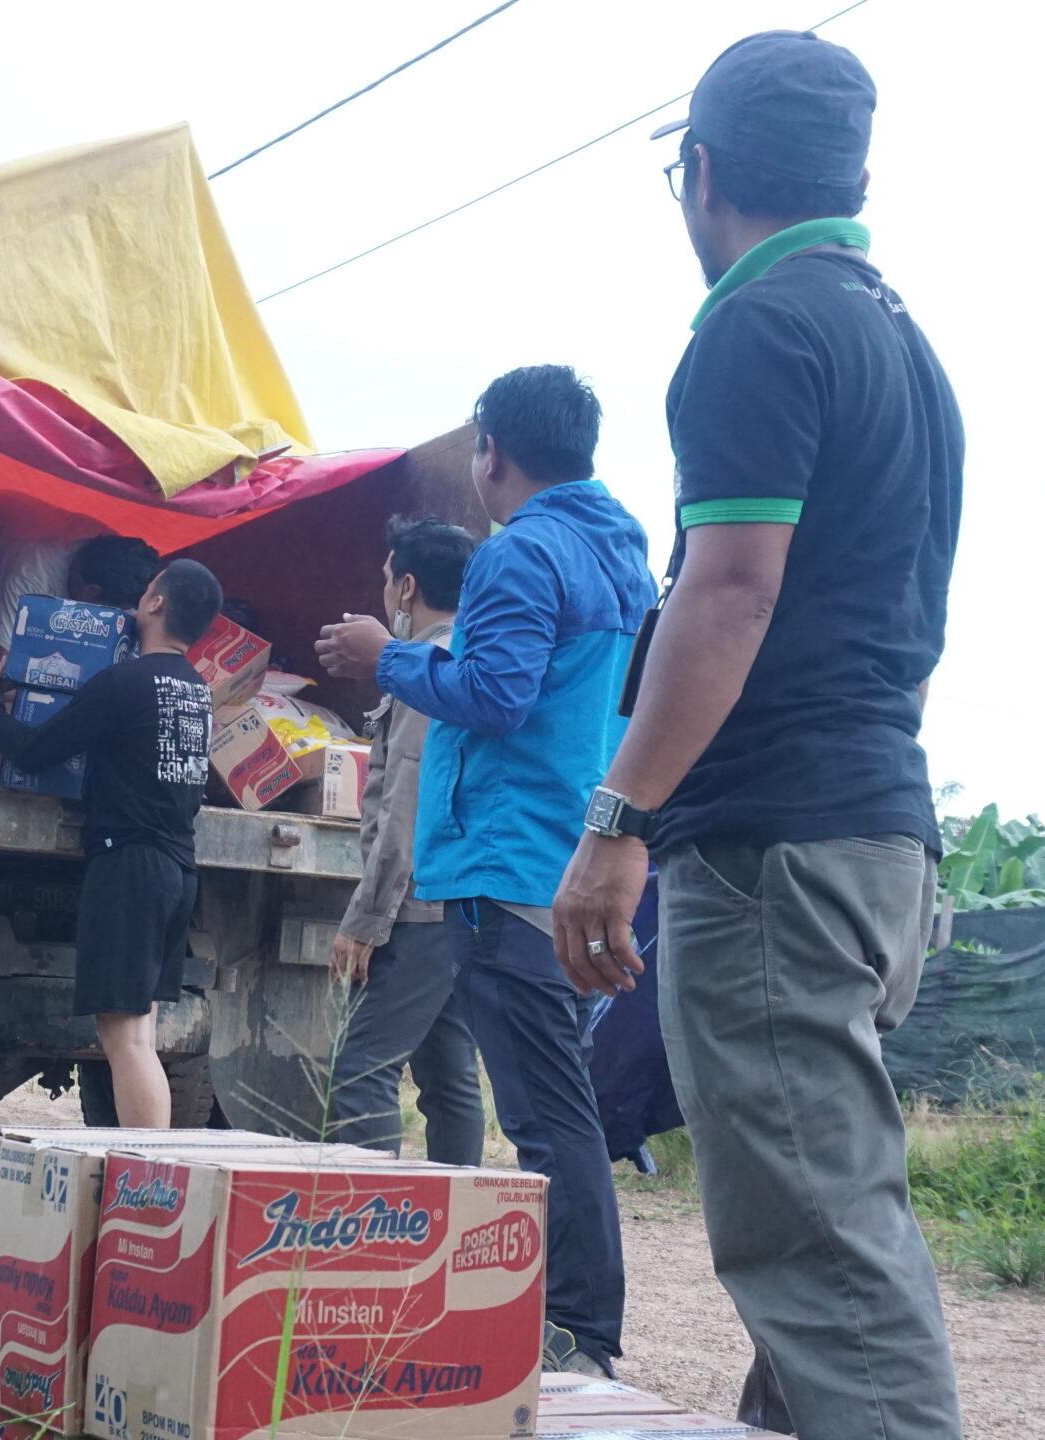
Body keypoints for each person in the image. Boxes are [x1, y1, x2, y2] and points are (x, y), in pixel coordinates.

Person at [548, 31, 966, 1438]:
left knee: (822, 1262)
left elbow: (727, 591)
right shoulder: (904, 347)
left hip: (776, 849)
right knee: (817, 1233)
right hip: (878, 836)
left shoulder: (758, 326)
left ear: (703, 173)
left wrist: (620, 821)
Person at [317, 366, 655, 1377]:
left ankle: (578, 1335)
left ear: (491, 453)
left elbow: (496, 695)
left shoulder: (520, 552)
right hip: (565, 854)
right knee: (549, 1104)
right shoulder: (622, 549)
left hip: (504, 862)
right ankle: (569, 1323)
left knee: (547, 1118)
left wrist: (385, 656)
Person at [0, 558, 220, 1128]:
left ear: (156, 604)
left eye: (147, 589)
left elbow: (36, 751)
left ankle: (147, 1168)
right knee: (141, 1033)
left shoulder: (122, 684)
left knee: (124, 1037)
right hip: (177, 868)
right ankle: (147, 1161)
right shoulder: (197, 690)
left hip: (130, 867)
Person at [325, 516, 484, 1166]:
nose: (385, 591)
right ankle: (459, 1212)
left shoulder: (423, 672)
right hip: (457, 902)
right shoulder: (465, 661)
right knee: (448, 1077)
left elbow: (405, 808)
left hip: (417, 907)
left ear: (408, 587)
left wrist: (366, 920)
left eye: (388, 579)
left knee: (360, 1069)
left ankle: (366, 1218)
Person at [0, 489, 162, 729]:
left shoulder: (124, 570)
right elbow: (0, 661)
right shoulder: (33, 572)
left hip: (1, 543)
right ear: (91, 592)